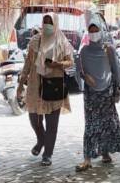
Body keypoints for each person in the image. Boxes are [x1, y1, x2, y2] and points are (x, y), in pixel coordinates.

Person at [16, 15, 75, 166]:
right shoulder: (35, 40)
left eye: (50, 23)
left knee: (52, 123)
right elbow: (28, 64)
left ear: (55, 24)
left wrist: (57, 64)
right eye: (45, 22)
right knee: (34, 118)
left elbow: (70, 62)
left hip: (54, 85)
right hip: (35, 85)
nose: (47, 25)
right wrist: (21, 84)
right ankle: (41, 140)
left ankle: (47, 154)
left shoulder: (62, 41)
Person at [75, 23, 120, 172]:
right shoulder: (84, 51)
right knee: (90, 125)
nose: (94, 33)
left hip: (107, 91)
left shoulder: (109, 49)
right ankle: (87, 159)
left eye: (96, 31)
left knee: (107, 123)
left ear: (101, 32)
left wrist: (117, 89)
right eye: (91, 31)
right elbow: (79, 69)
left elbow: (116, 70)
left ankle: (105, 152)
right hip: (91, 93)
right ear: (87, 33)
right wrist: (84, 76)